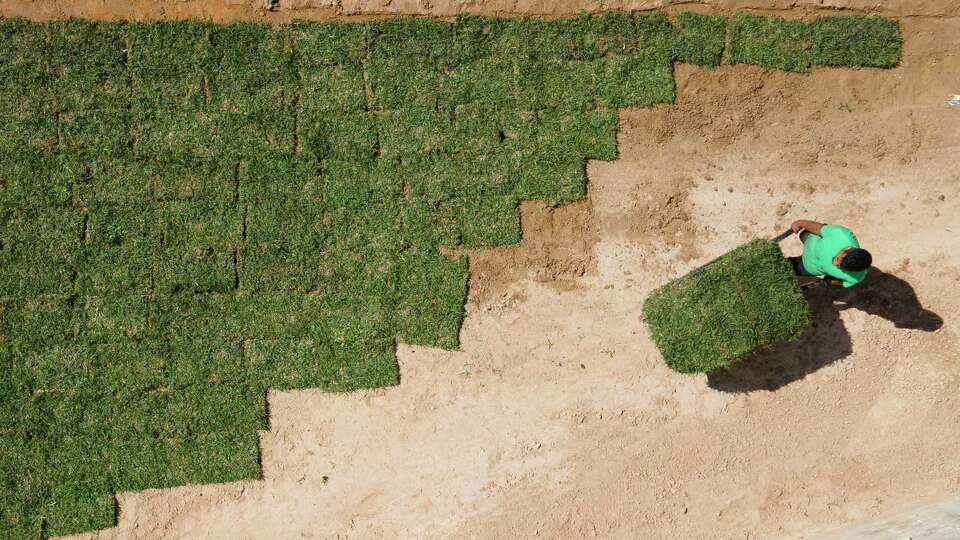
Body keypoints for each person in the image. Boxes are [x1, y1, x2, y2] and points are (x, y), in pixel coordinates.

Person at [788, 220, 871, 288]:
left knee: (791, 267)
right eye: (837, 258)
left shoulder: (857, 277)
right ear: (847, 248)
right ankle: (804, 236)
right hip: (811, 239)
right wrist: (800, 223)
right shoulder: (841, 234)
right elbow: (818, 228)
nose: (834, 263)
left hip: (808, 265)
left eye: (840, 267)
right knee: (803, 234)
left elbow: (845, 283)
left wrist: (830, 282)